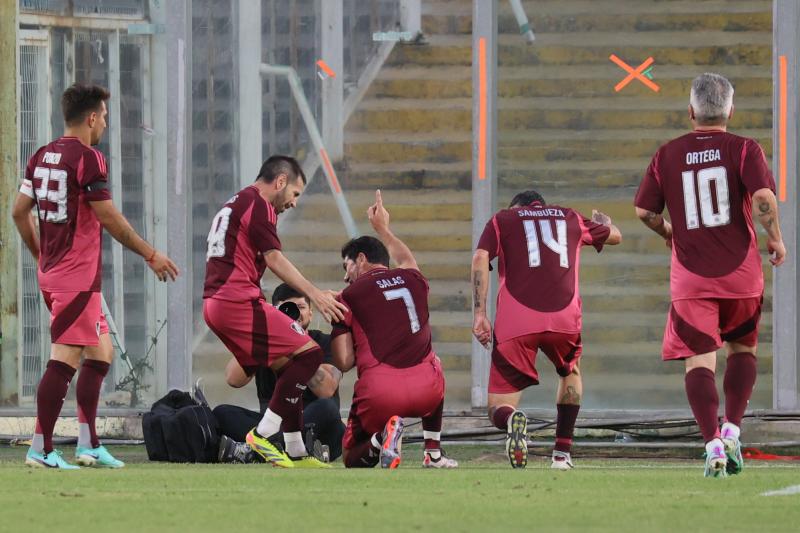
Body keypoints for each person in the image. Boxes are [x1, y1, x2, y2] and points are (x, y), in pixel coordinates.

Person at [12, 83, 180, 469]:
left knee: (101, 352)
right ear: (91, 118)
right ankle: (40, 448)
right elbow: (108, 217)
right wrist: (151, 254)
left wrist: (40, 254)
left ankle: (88, 444)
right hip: (75, 279)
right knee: (65, 357)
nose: (105, 123)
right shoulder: (89, 158)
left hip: (59, 275)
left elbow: (19, 211)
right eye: (104, 116)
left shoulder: (41, 156)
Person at [634, 72, 785, 478]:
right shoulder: (744, 149)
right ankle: (732, 430)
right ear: (730, 111)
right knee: (743, 350)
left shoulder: (667, 154)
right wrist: (775, 238)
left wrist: (668, 232)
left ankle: (712, 445)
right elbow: (763, 197)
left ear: (691, 111)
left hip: (691, 277)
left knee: (699, 361)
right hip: (741, 274)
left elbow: (645, 211)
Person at [202, 155, 347, 469]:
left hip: (215, 304)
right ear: (280, 182)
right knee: (310, 354)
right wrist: (315, 294)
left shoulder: (236, 203)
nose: (294, 202)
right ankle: (263, 433)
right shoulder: (259, 204)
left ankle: (295, 448)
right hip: (236, 301)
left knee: (290, 363)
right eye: (294, 193)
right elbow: (274, 258)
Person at [472, 190, 621, 470]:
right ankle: (562, 455)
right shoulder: (570, 217)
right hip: (564, 319)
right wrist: (605, 224)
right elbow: (616, 236)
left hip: (517, 320)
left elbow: (480, 256)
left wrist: (480, 314)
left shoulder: (503, 219)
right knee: (571, 372)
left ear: (517, 208)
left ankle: (512, 420)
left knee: (497, 406)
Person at [331, 190, 458, 469]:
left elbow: (344, 361)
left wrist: (335, 318)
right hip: (427, 391)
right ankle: (433, 453)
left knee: (350, 456)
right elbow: (407, 258)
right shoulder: (414, 278)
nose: (345, 276)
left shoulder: (347, 297)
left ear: (361, 259)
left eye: (346, 266)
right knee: (434, 363)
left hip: (381, 394)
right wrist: (383, 228)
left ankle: (380, 439)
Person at [214, 283, 346, 463]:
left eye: (300, 307)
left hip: (314, 423)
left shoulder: (326, 342)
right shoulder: (264, 343)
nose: (294, 313)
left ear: (310, 313)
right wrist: (264, 333)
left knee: (327, 408)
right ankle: (293, 449)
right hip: (273, 425)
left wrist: (296, 350)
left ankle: (255, 450)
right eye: (286, 308)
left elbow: (327, 389)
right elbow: (233, 379)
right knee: (223, 413)